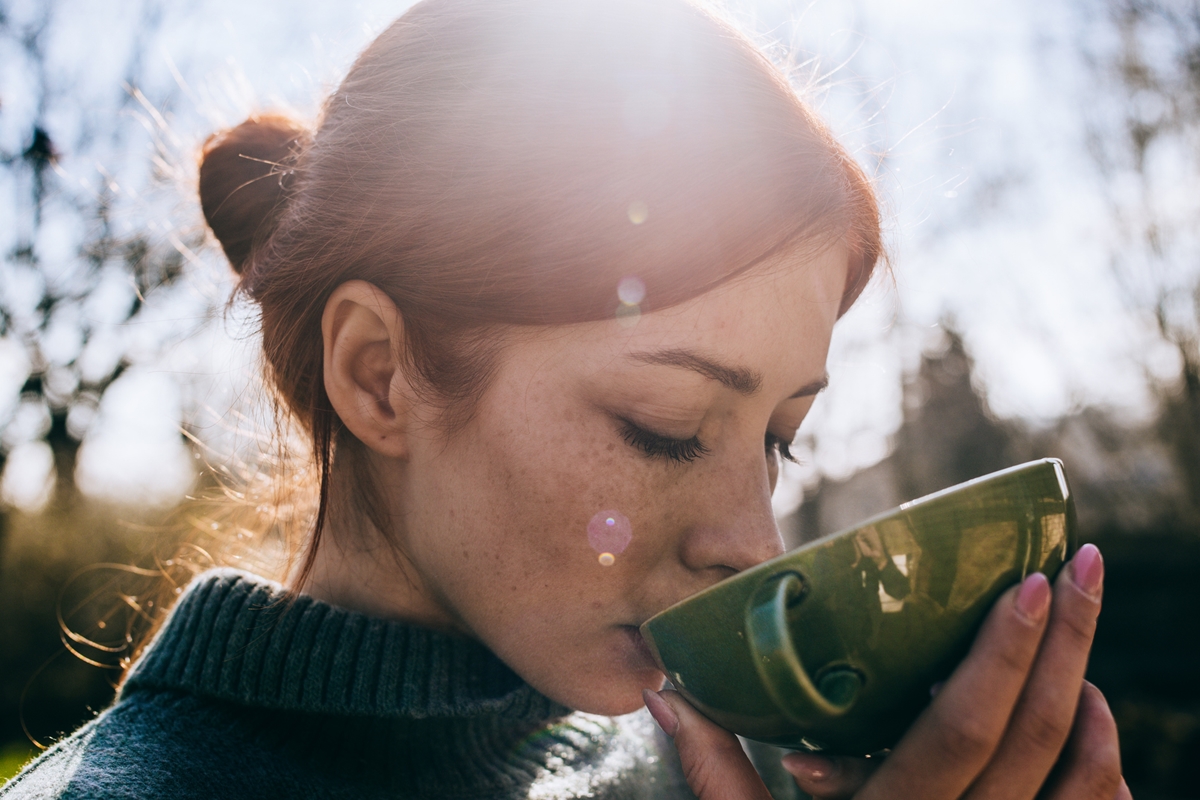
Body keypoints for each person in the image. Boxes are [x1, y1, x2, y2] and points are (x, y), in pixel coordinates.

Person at [1, 0, 1127, 798]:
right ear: (378, 374)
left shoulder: (735, 771)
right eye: (665, 427)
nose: (755, 545)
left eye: (778, 440)